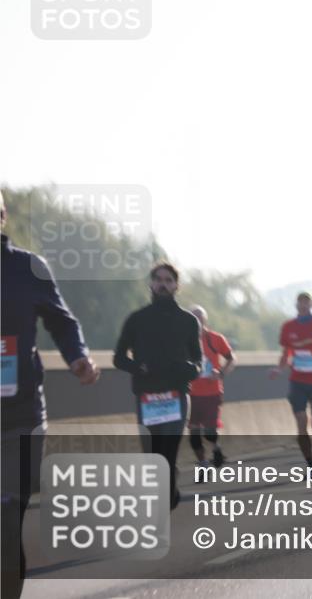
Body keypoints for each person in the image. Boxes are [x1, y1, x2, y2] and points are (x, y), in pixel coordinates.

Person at [1, 193, 100, 599]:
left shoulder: (28, 267)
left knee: (7, 518)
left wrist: (77, 357)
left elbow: (62, 321)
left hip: (21, 412)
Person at [114, 262, 201, 508]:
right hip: (148, 397)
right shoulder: (137, 319)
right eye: (159, 279)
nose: (163, 284)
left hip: (176, 395)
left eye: (169, 280)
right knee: (153, 453)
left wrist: (189, 368)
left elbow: (198, 360)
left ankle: (165, 493)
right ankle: (167, 487)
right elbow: (118, 358)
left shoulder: (188, 321)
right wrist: (138, 367)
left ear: (176, 286)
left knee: (169, 447)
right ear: (151, 284)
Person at [269, 292, 312, 467]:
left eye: (306, 302)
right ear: (296, 305)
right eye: (300, 302)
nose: (303, 305)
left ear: (311, 305)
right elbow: (286, 352)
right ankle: (310, 464)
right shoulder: (288, 327)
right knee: (301, 423)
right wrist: (279, 368)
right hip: (297, 381)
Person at [188, 306, 236, 475]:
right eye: (193, 318)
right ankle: (203, 464)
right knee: (193, 434)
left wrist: (221, 373)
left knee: (209, 432)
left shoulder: (215, 339)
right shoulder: (181, 340)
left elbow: (231, 358)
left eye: (199, 318)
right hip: (190, 394)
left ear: (205, 321)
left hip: (211, 392)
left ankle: (216, 447)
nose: (196, 322)